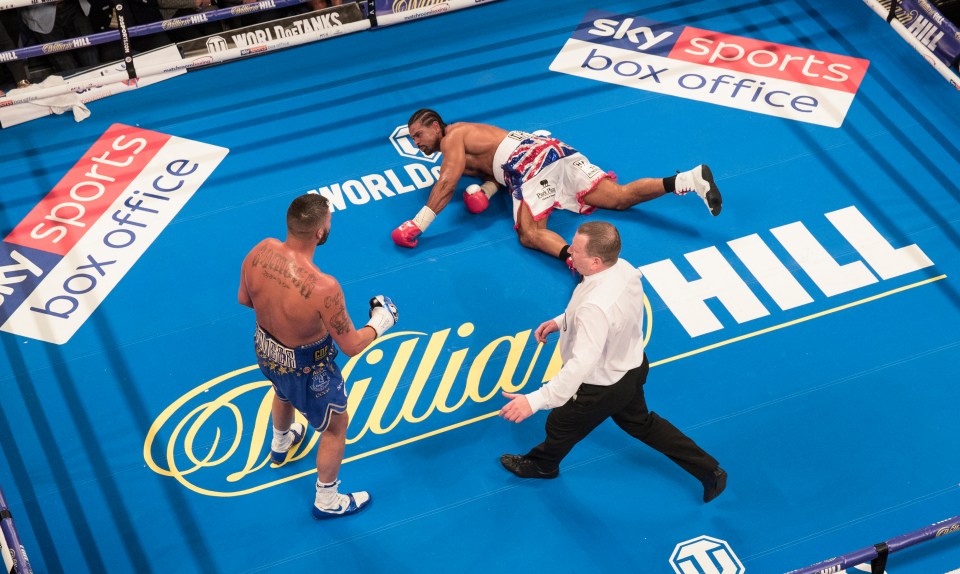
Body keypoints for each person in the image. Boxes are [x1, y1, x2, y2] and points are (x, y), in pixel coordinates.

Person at [498, 221, 727, 503]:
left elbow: (581, 364)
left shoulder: (595, 307)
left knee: (560, 422)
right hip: (631, 366)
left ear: (595, 261)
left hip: (602, 384)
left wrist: (533, 401)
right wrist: (563, 321)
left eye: (576, 250)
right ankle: (710, 470)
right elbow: (604, 314)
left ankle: (543, 465)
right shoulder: (622, 268)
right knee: (641, 423)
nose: (569, 250)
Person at [391, 109, 723, 268]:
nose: (417, 143)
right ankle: (686, 179)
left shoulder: (453, 138)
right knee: (618, 198)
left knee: (529, 233)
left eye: (419, 135)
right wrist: (487, 191)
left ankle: (575, 261)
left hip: (528, 163)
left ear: (436, 126)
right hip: (551, 150)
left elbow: (447, 183)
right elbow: (496, 167)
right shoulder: (470, 137)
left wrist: (417, 224)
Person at [238, 194, 399, 519]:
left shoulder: (259, 250)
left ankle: (281, 444)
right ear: (320, 233)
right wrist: (381, 322)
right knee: (336, 427)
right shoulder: (323, 288)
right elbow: (352, 346)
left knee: (281, 392)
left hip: (265, 349)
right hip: (310, 370)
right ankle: (327, 499)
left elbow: (246, 300)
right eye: (329, 221)